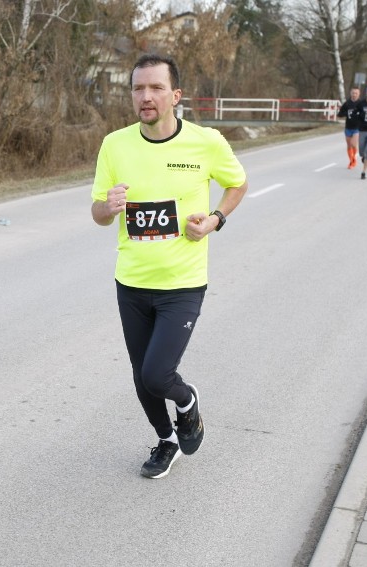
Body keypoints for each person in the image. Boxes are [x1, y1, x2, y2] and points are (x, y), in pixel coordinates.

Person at [90, 54, 248, 479]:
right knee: (142, 377)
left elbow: (238, 182)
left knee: (159, 375)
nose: (146, 96)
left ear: (175, 95)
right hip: (132, 282)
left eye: (156, 88)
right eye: (139, 88)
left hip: (182, 283)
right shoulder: (115, 145)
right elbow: (97, 213)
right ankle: (167, 440)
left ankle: (188, 402)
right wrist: (107, 206)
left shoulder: (206, 142)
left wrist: (215, 220)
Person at [337, 86, 362, 168]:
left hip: (357, 128)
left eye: (356, 93)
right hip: (348, 127)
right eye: (353, 93)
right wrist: (344, 114)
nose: (354, 95)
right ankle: (351, 160)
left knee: (353, 144)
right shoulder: (347, 103)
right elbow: (340, 113)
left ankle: (353, 159)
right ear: (350, 93)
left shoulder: (361, 104)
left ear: (359, 94)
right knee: (349, 145)